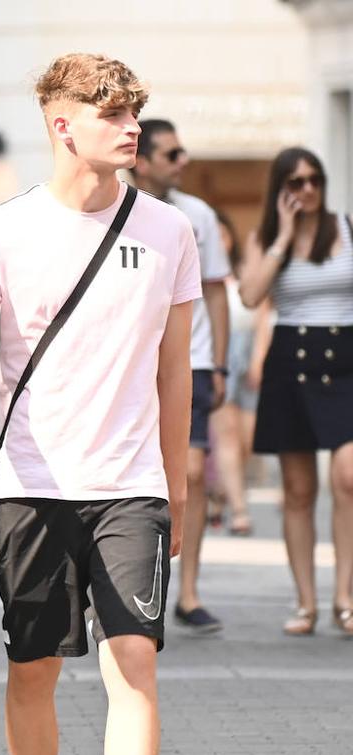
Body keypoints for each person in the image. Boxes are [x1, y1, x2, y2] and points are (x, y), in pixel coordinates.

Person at [0, 54, 198, 755]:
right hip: (32, 485)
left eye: (134, 113)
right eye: (112, 114)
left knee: (135, 660)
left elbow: (177, 375)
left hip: (129, 486)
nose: (131, 127)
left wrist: (181, 492)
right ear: (63, 126)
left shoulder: (170, 232)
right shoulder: (7, 229)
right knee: (33, 667)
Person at [239, 147, 353, 637]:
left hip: (345, 362)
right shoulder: (264, 237)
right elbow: (249, 295)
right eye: (296, 182)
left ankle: (345, 597)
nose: (307, 189)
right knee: (299, 492)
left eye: (314, 180)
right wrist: (282, 239)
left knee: (349, 477)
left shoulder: (346, 227)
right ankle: (306, 603)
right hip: (291, 364)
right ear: (281, 189)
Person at [133, 118, 231, 634]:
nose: (182, 162)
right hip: (129, 364)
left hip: (190, 361)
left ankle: (187, 591)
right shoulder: (114, 213)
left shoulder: (198, 217)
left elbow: (216, 290)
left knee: (190, 471)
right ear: (142, 162)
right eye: (172, 154)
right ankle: (124, 580)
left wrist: (220, 362)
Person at [208, 210, 268, 536]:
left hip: (249, 351)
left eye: (223, 234)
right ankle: (240, 510)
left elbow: (263, 313)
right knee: (227, 434)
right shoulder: (199, 274)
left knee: (249, 439)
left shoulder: (244, 270)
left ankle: (222, 490)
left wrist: (259, 358)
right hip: (222, 352)